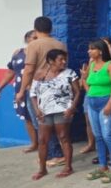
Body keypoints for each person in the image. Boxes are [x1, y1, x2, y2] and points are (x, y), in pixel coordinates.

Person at [15, 17, 66, 163]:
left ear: (36, 29)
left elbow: (29, 69)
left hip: (38, 88)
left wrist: (21, 90)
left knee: (41, 122)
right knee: (55, 121)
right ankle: (55, 152)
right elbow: (63, 66)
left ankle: (55, 154)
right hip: (57, 86)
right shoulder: (60, 44)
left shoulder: (34, 45)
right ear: (51, 29)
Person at [29, 49, 80, 180]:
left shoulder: (70, 73)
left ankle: (68, 167)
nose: (63, 62)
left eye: (64, 59)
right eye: (60, 60)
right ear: (51, 61)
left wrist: (72, 108)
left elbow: (78, 92)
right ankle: (42, 169)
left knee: (63, 137)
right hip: (44, 111)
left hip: (63, 110)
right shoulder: (40, 74)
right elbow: (33, 94)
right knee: (42, 140)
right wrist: (37, 110)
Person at [82, 39, 111, 183]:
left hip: (107, 102)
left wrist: (110, 103)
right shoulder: (91, 65)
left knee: (107, 135)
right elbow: (85, 81)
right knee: (98, 135)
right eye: (89, 49)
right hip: (92, 103)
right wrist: (88, 91)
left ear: (100, 50)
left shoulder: (110, 65)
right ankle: (103, 166)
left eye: (92, 49)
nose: (89, 51)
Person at [0, 30, 38, 153]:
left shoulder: (40, 53)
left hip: (36, 89)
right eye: (34, 38)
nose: (37, 40)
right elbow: (10, 72)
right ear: (27, 39)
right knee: (27, 117)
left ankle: (48, 146)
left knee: (41, 118)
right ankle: (35, 144)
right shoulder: (18, 53)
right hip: (20, 90)